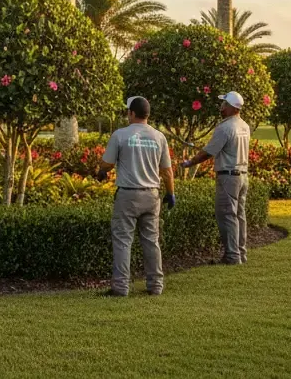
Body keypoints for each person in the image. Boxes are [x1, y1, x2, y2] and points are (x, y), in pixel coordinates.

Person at [98, 95, 175, 296]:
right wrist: (170, 193)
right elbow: (167, 171)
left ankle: (121, 287)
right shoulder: (159, 137)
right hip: (152, 196)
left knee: (123, 241)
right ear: (147, 114)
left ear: (131, 113)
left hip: (128, 196)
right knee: (151, 241)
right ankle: (155, 286)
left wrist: (101, 170)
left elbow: (107, 163)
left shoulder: (120, 135)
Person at [182, 91, 250, 265]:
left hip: (228, 177)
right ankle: (240, 253)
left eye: (224, 104)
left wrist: (190, 162)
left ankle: (232, 256)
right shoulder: (244, 125)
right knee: (239, 215)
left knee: (227, 215)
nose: (221, 107)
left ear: (231, 107)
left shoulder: (225, 127)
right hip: (242, 176)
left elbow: (208, 153)